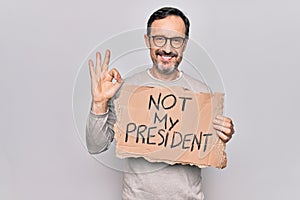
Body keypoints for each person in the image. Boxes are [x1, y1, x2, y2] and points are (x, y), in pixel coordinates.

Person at [86, 7, 235, 200]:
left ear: (185, 44)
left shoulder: (201, 93)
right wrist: (99, 103)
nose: (167, 48)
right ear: (147, 41)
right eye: (159, 39)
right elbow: (96, 146)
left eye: (176, 40)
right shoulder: (126, 90)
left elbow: (205, 148)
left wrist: (222, 135)